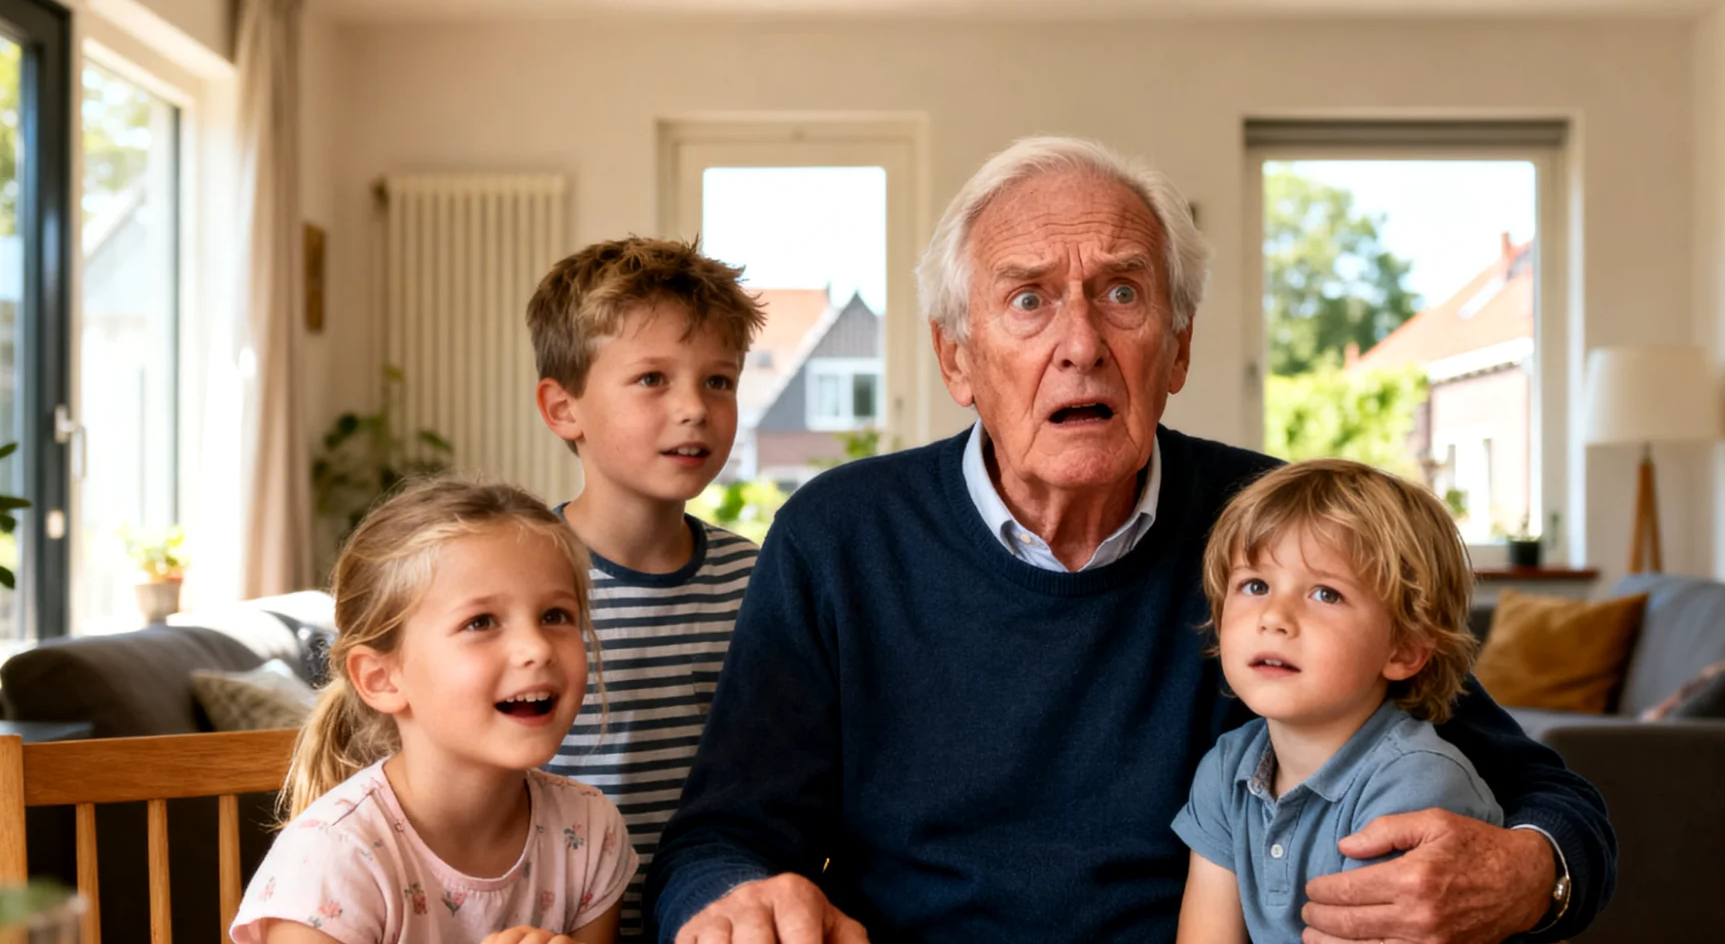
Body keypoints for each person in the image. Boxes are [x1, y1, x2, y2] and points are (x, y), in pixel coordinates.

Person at [647, 137, 1615, 944]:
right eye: (1029, 300)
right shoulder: (838, 536)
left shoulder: (1279, 536)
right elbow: (717, 842)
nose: (1082, 344)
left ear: (1178, 348)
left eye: (1121, 294)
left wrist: (1530, 874)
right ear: (957, 358)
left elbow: (1551, 800)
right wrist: (735, 903)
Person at [231, 477, 637, 944]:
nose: (537, 648)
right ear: (381, 679)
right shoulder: (331, 859)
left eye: (555, 615)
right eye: (480, 622)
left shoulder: (588, 831)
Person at [527, 238, 767, 937]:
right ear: (563, 408)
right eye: (652, 378)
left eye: (718, 381)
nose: (695, 408)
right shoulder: (517, 585)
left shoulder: (757, 582)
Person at [1173, 459, 1504, 944]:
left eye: (1325, 594)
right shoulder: (1227, 770)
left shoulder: (1415, 783)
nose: (1274, 617)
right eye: (1256, 586)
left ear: (1404, 650)